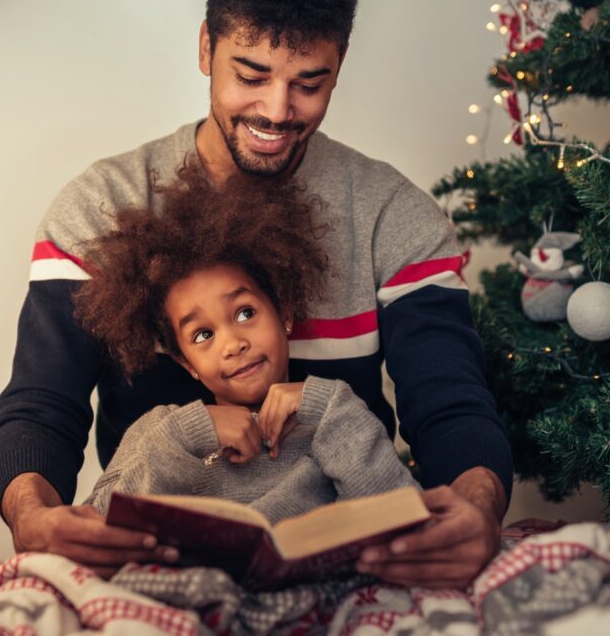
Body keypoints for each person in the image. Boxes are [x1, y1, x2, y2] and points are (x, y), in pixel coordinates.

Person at [0, 0, 512, 589]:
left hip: (341, 563)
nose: (276, 110)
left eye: (309, 83)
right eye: (251, 75)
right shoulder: (97, 211)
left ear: (339, 65)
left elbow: (450, 405)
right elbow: (40, 409)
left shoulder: (395, 219)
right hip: (155, 566)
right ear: (206, 48)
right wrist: (33, 518)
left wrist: (478, 506)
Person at [74, 166, 418, 528]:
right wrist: (188, 432)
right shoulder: (163, 433)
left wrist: (324, 405)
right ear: (186, 363)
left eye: (245, 313)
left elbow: (401, 516)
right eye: (203, 335)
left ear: (284, 313)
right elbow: (96, 523)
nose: (234, 344)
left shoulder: (333, 417)